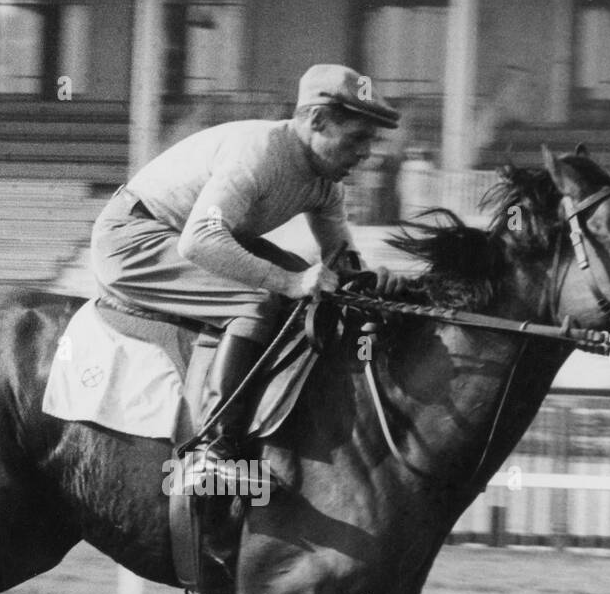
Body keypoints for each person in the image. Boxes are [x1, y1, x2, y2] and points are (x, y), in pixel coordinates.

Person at [90, 64, 403, 472]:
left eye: (372, 142)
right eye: (358, 138)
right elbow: (200, 240)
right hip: (132, 239)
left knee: (308, 282)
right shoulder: (259, 153)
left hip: (189, 235)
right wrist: (290, 281)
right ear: (317, 119)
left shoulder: (328, 184)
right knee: (260, 297)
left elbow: (341, 261)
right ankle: (213, 447)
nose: (366, 154)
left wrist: (371, 281)